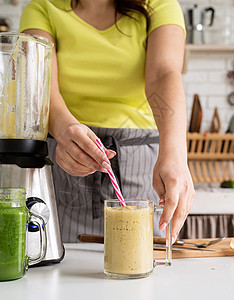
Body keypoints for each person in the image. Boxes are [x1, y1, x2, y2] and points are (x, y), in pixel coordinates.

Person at [20, 0, 195, 243]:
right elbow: (39, 80)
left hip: (141, 161)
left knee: (142, 269)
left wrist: (175, 154)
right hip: (68, 154)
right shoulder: (42, 8)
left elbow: (162, 74)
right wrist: (65, 130)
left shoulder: (159, 4)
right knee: (66, 267)